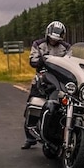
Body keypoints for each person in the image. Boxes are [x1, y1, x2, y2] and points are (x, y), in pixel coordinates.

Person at [21, 20, 70, 149]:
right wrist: (42, 60)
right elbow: (33, 61)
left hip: (59, 81)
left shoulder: (66, 47)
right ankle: (30, 137)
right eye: (52, 38)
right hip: (42, 78)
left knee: (62, 107)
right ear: (47, 35)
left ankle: (58, 134)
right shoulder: (38, 44)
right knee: (32, 105)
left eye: (56, 39)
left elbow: (72, 62)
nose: (54, 41)